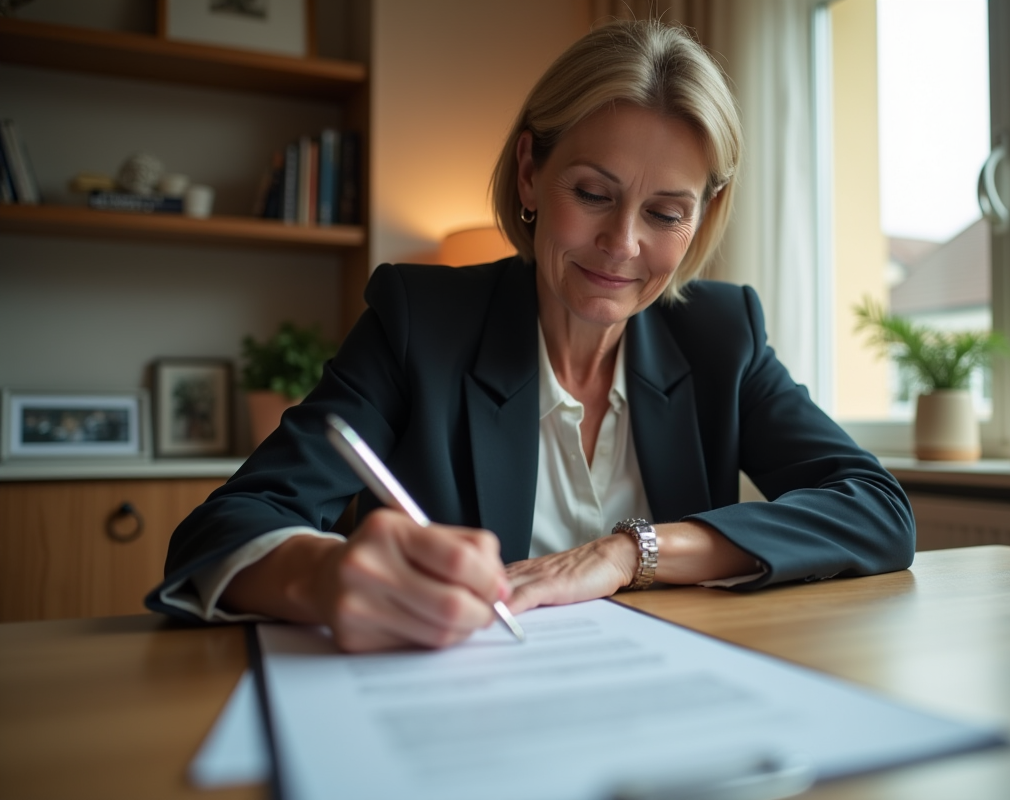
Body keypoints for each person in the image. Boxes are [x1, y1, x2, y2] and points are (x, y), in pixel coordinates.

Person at [147, 19, 915, 652]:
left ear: (703, 218)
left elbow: (876, 509)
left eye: (665, 213)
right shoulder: (423, 321)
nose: (622, 244)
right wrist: (326, 575)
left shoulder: (721, 334)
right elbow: (225, 530)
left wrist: (627, 553)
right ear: (528, 174)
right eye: (592, 194)